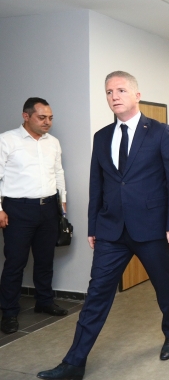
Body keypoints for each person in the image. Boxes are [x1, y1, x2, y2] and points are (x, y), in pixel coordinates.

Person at [38, 71, 169, 380]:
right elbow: (98, 184)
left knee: (163, 285)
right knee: (96, 294)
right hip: (111, 230)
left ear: (136, 95)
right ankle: (74, 363)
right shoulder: (102, 136)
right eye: (108, 92)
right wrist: (93, 226)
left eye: (120, 90)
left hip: (151, 228)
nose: (114, 96)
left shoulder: (159, 132)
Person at [0, 97, 68, 335]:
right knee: (15, 262)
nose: (47, 122)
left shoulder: (53, 142)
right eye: (42, 117)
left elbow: (58, 173)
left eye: (50, 118)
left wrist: (62, 203)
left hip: (48, 208)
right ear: (26, 116)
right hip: (18, 209)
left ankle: (44, 301)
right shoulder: (7, 140)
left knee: (45, 259)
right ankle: (9, 312)